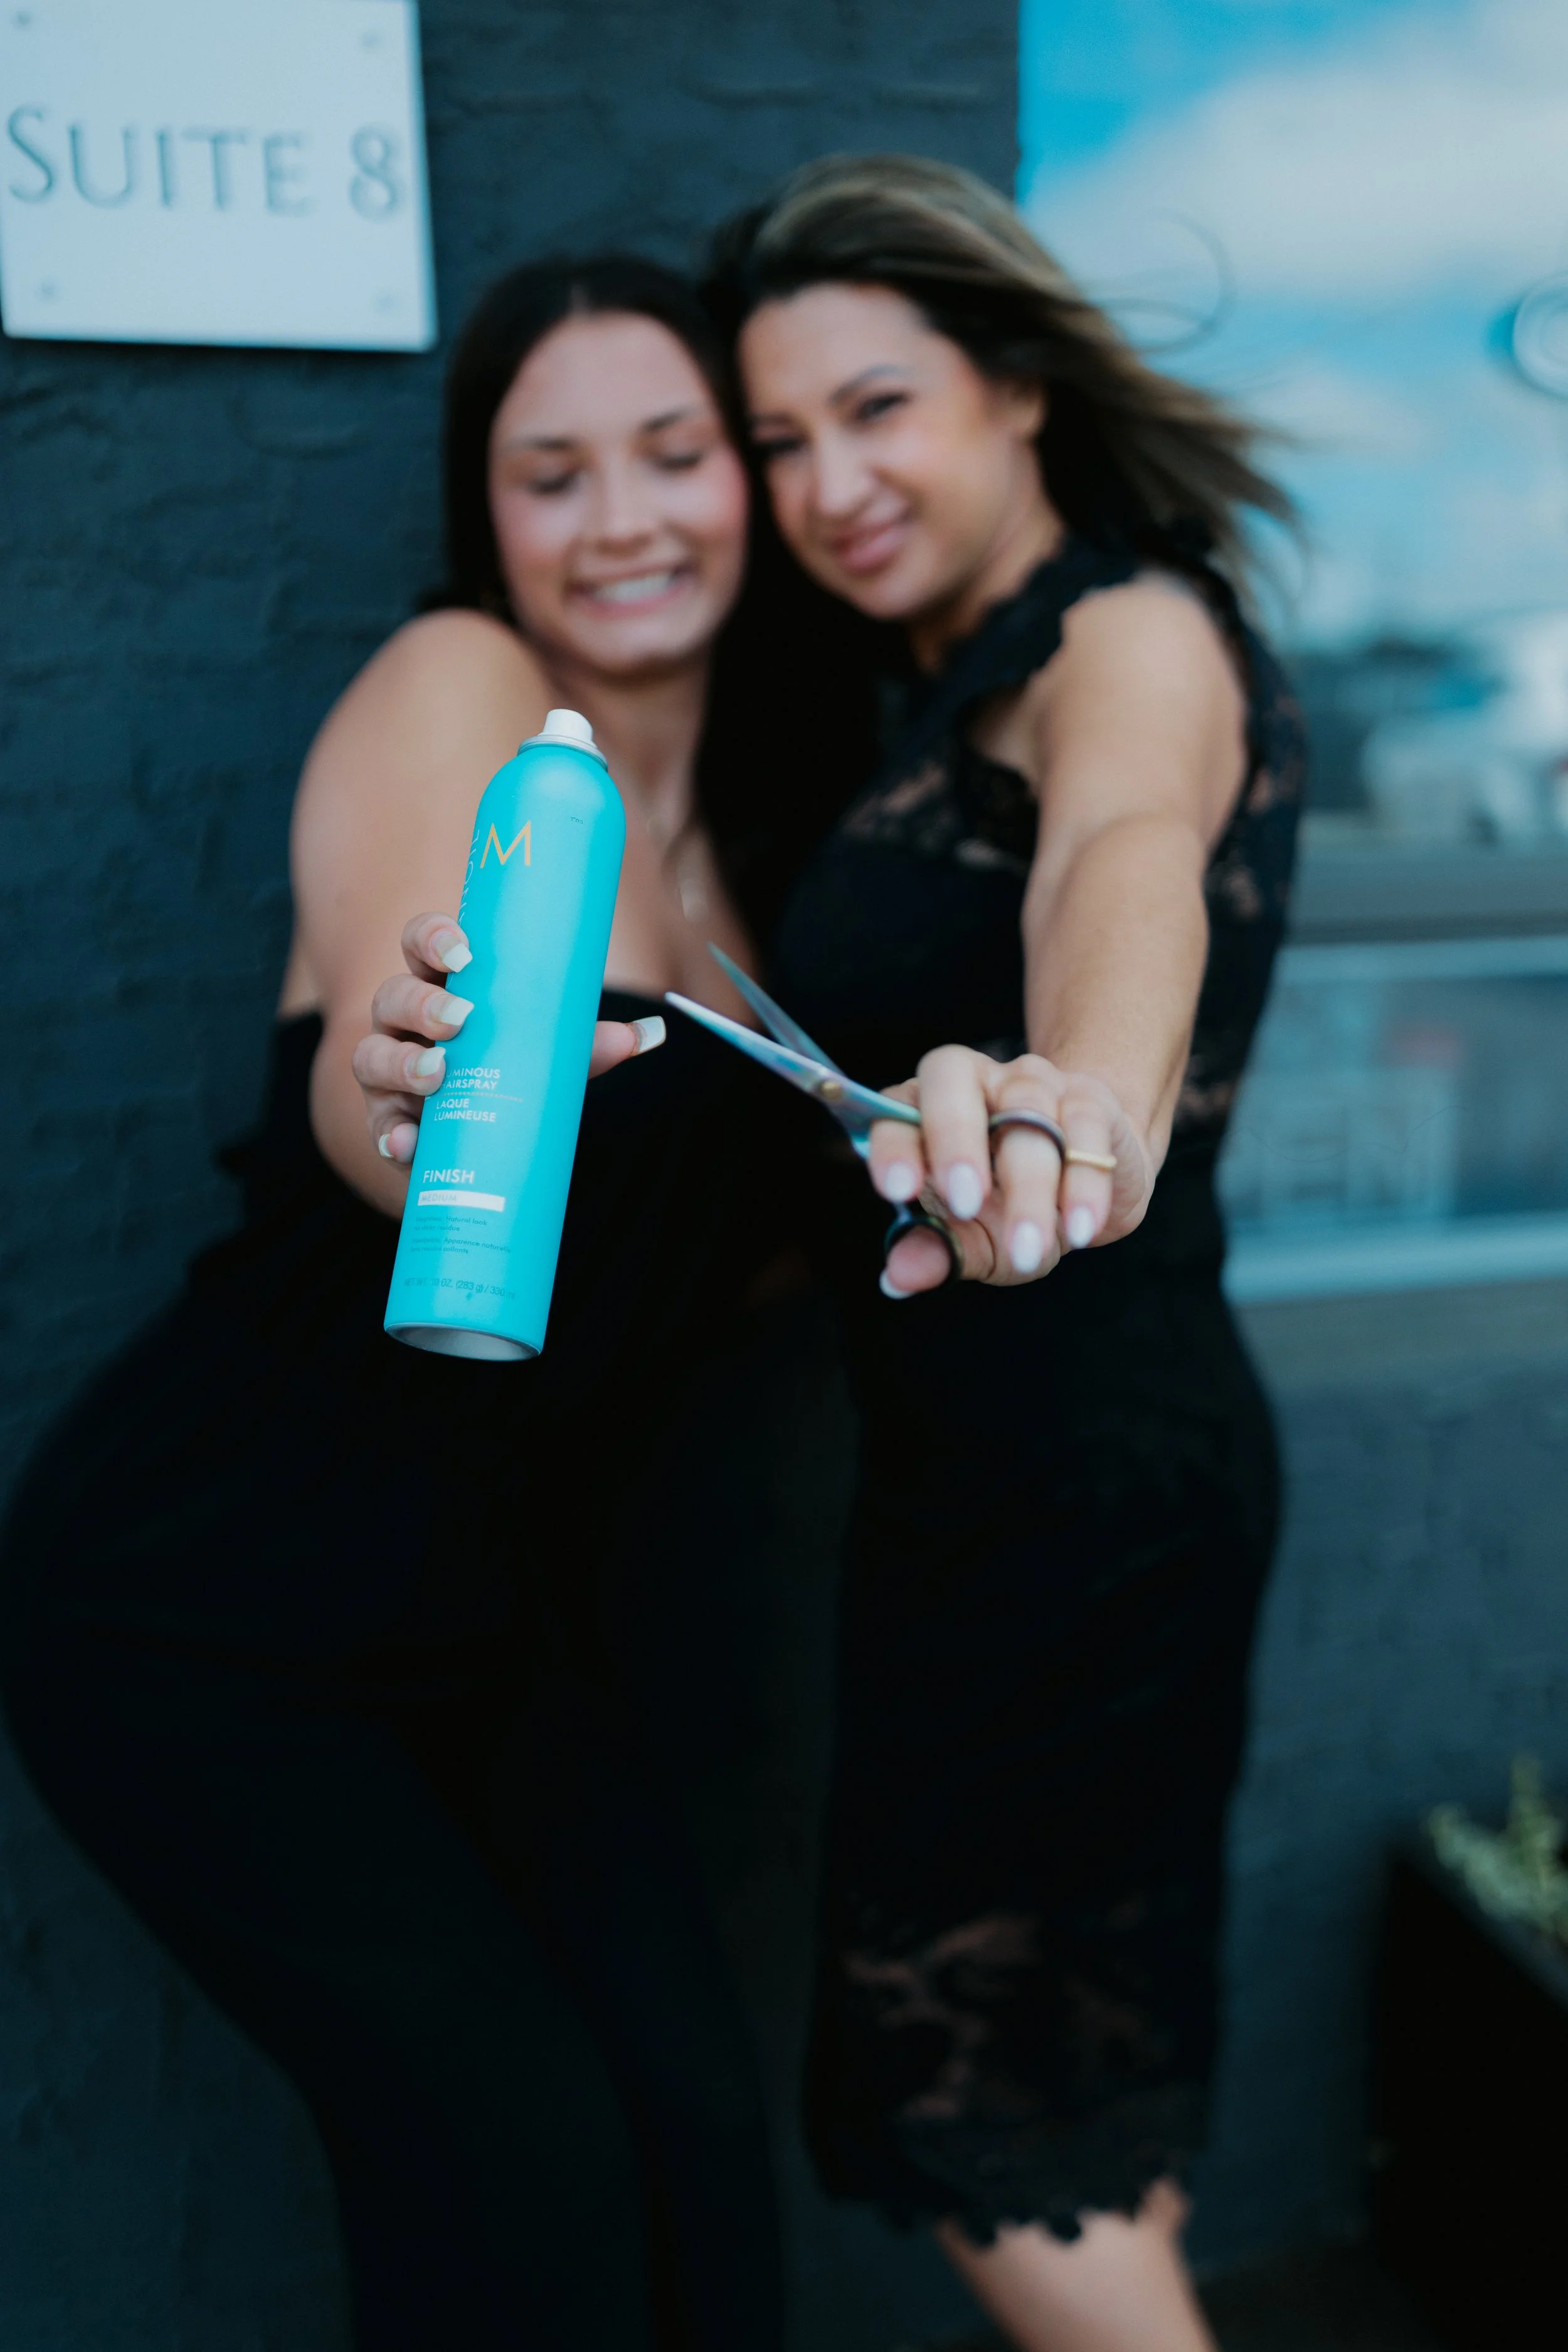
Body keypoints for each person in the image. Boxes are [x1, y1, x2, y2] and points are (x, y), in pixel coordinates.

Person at [0, 253, 874, 2352]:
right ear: (486, 522)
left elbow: (725, 1260)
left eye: (673, 455)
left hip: (496, 1628)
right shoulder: (467, 697)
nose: (624, 517)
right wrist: (411, 1081)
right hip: (213, 1608)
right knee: (521, 2189)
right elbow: (390, 1063)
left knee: (693, 2147)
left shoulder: (762, 852)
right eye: (549, 472)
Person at [708, 154, 1307, 2352]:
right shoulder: (932, 682)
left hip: (1078, 1505)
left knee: (1009, 2167)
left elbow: (1124, 858)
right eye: (778, 440)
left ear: (1018, 391)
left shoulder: (1125, 636)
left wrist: (1084, 1098)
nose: (822, 481)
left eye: (876, 408)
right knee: (1077, 2128)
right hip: (1010, 1490)